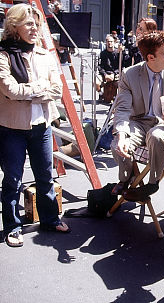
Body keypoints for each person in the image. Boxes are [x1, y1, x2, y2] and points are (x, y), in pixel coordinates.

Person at [0, 3, 70, 247]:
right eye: (29, 24)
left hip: (41, 125)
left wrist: (27, 92)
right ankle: (12, 226)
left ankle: (50, 218)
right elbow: (9, 90)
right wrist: (40, 89)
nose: (35, 29)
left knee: (45, 175)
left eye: (37, 24)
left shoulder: (45, 54)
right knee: (13, 179)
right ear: (14, 26)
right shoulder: (3, 54)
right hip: (11, 128)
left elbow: (57, 89)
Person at [110, 30, 164, 201]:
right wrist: (121, 136)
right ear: (150, 58)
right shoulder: (130, 74)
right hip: (139, 121)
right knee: (117, 144)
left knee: (156, 136)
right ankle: (128, 178)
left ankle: (153, 183)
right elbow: (123, 109)